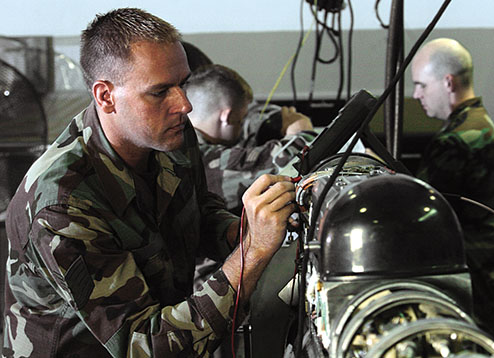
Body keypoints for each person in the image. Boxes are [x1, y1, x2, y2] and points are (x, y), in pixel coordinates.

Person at [2, 8, 297, 357]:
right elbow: (146, 346)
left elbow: (198, 212)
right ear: (105, 96)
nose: (184, 105)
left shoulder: (167, 135)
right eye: (159, 92)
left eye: (183, 84)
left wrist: (249, 228)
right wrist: (252, 252)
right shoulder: (63, 204)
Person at [411, 38, 494, 334]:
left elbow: (417, 213)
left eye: (422, 85)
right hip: (477, 279)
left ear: (448, 82)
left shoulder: (456, 140)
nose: (416, 94)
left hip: (461, 286)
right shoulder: (477, 124)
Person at [185, 64, 316, 215]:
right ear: (226, 117)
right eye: (239, 120)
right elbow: (282, 163)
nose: (240, 128)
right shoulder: (200, 158)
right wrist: (302, 133)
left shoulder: (181, 139)